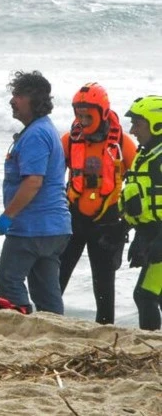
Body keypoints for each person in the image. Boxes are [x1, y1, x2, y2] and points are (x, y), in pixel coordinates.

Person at [0, 71, 71, 315]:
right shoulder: (44, 129)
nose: (12, 100)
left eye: (19, 95)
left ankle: (22, 324)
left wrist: (8, 216)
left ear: (35, 100)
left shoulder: (36, 134)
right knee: (47, 292)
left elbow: (33, 181)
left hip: (33, 227)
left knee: (8, 280)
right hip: (55, 228)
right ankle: (53, 331)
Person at [58, 83, 136, 325]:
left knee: (104, 284)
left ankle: (105, 329)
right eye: (78, 114)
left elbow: (140, 185)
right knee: (56, 276)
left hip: (108, 223)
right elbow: (50, 179)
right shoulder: (68, 141)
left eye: (87, 115)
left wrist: (128, 223)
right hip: (73, 219)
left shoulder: (123, 144)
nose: (81, 120)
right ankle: (46, 320)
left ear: (103, 112)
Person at [120, 95, 162, 330]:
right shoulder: (147, 155)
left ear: (156, 123)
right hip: (152, 234)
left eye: (138, 123)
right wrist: (125, 229)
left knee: (145, 295)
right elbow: (140, 200)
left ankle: (151, 347)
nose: (132, 130)